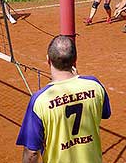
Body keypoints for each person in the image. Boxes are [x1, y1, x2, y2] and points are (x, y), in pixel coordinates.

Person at [16, 35, 111, 163]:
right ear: (75, 59)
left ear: (48, 60)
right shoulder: (95, 85)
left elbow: (31, 153)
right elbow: (105, 113)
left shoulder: (39, 101)